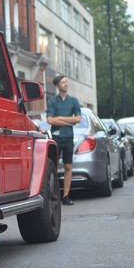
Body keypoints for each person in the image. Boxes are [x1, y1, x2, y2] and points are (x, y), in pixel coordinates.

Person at [46, 75, 81, 206]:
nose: (66, 84)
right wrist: (68, 120)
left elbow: (78, 119)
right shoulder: (52, 101)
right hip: (56, 137)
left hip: (68, 137)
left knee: (68, 166)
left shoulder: (74, 101)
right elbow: (50, 120)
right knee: (53, 166)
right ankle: (52, 194)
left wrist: (59, 119)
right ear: (57, 86)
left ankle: (65, 195)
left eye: (66, 82)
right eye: (63, 82)